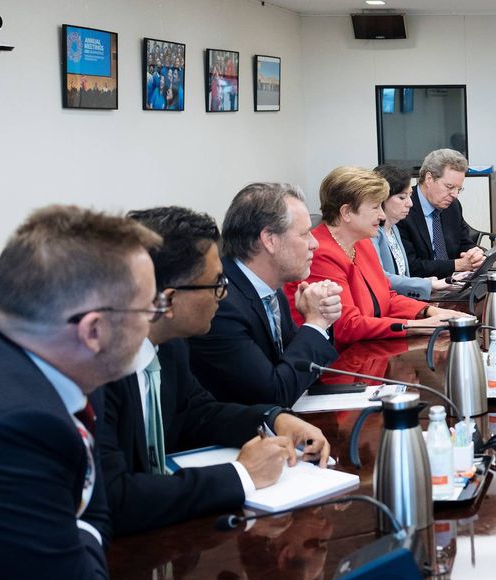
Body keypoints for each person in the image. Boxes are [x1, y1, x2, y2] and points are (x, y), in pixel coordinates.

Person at [0, 206, 163, 580]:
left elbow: (95, 506)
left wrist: (76, 526)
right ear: (95, 330)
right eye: (150, 308)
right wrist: (81, 527)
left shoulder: (62, 376)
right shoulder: (15, 430)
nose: (156, 320)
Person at [97, 207, 331, 537]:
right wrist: (240, 475)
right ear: (168, 301)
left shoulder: (171, 344)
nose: (224, 295)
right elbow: (114, 497)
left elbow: (197, 413)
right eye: (217, 283)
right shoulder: (95, 372)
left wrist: (273, 419)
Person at [189, 183, 342, 407]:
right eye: (304, 234)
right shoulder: (221, 303)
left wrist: (321, 321)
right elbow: (273, 394)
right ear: (269, 240)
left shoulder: (271, 290)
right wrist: (316, 323)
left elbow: (296, 372)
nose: (315, 243)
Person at [287, 166, 468, 349]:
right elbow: (348, 326)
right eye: (375, 207)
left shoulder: (363, 243)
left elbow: (387, 297)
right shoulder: (321, 253)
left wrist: (431, 311)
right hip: (338, 362)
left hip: (367, 351)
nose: (382, 215)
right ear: (346, 212)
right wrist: (420, 325)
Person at [371, 163, 466, 300]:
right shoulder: (373, 235)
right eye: (402, 198)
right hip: (391, 306)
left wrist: (429, 282)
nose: (410, 203)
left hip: (404, 302)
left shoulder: (394, 229)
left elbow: (404, 276)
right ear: (381, 199)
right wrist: (427, 284)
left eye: (410, 196)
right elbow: (381, 278)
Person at [396, 148, 486, 279]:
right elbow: (411, 266)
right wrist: (456, 265)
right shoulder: (404, 208)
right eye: (450, 187)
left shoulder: (452, 206)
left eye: (458, 189)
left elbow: (464, 243)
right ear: (429, 179)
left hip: (453, 282)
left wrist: (475, 254)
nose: (454, 195)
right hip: (423, 287)